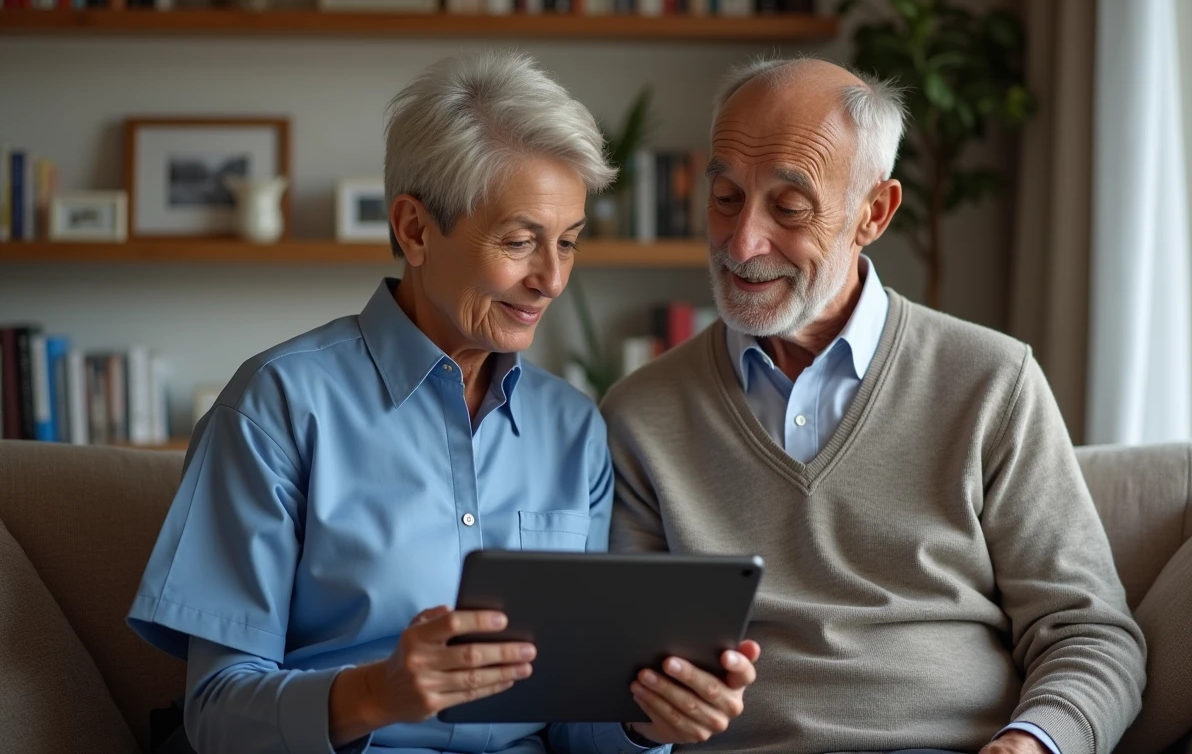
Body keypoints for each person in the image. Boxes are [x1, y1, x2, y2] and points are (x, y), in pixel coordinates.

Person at [127, 51, 758, 754]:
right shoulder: (276, 406)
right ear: (415, 229)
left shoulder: (573, 428)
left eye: (569, 244)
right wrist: (377, 692)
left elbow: (577, 726)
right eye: (520, 242)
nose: (551, 279)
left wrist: (646, 720)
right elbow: (215, 713)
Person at [601, 56, 1147, 754]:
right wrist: (647, 719)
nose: (741, 243)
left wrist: (1037, 741)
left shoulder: (991, 381)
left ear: (874, 214)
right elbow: (615, 685)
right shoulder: (642, 414)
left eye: (789, 208)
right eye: (726, 197)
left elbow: (1090, 631)